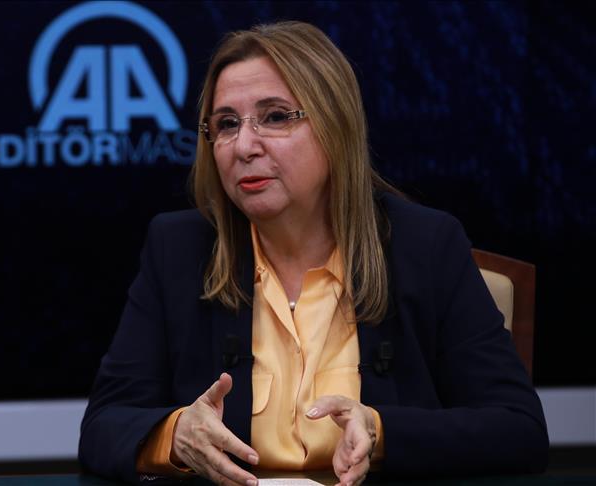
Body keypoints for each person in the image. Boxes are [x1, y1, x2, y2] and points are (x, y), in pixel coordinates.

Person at [79, 21, 548, 486]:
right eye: (226, 124)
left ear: (334, 124)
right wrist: (176, 434)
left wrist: (380, 433)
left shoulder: (425, 246)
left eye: (275, 117)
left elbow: (518, 430)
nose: (244, 146)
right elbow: (102, 428)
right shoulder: (178, 250)